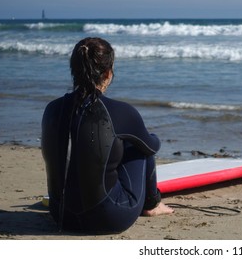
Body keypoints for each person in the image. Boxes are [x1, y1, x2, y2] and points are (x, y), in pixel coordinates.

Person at [41, 37, 173, 234]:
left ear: (73, 70)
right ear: (108, 73)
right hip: (109, 218)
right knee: (139, 146)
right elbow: (152, 147)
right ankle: (152, 205)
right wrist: (144, 133)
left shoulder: (51, 109)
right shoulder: (122, 112)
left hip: (61, 216)